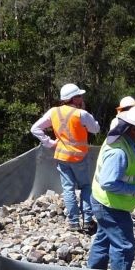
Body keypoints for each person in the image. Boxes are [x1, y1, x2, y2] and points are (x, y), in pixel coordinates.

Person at [87, 105, 135, 270]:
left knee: (104, 238)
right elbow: (108, 183)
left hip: (109, 202)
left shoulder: (132, 142)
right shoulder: (119, 152)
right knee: (124, 246)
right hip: (110, 204)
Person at [31, 83, 100, 232]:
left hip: (62, 156)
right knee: (86, 187)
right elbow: (96, 129)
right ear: (74, 99)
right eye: (80, 96)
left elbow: (35, 128)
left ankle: (73, 223)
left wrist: (49, 143)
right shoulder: (81, 114)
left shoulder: (53, 112)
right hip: (79, 157)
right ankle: (88, 221)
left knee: (68, 189)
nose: (82, 98)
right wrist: (87, 114)